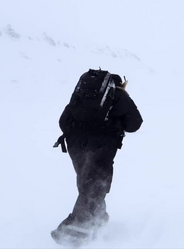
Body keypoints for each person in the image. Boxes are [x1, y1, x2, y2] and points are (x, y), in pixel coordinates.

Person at [52, 72, 142, 244]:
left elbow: (63, 120)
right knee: (96, 185)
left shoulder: (81, 94)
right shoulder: (119, 95)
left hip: (74, 144)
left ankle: (98, 218)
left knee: (87, 181)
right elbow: (134, 124)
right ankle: (74, 230)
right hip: (101, 146)